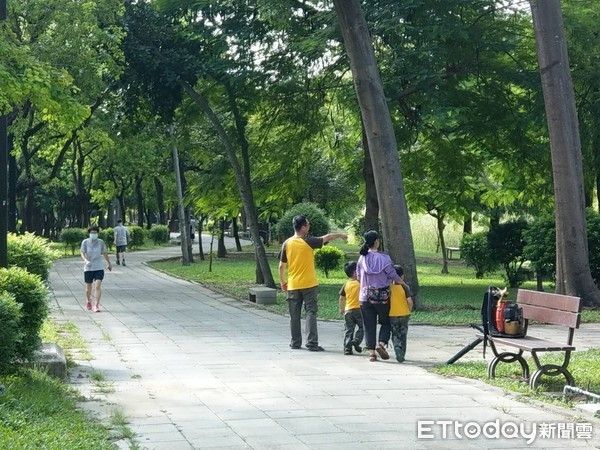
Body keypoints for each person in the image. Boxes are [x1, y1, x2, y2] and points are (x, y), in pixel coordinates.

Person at [278, 215, 348, 351]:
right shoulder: (308, 241)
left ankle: (295, 343)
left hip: (293, 285)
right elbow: (326, 237)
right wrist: (340, 235)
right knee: (311, 312)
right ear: (303, 227)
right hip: (309, 284)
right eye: (308, 225)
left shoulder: (287, 243)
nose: (309, 227)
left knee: (294, 315)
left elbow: (281, 265)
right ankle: (311, 343)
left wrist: (283, 282)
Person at [356, 230, 403, 362]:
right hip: (382, 297)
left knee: (368, 325)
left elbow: (359, 277)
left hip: (365, 297)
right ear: (377, 241)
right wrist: (402, 283)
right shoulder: (384, 258)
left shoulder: (361, 258)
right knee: (386, 321)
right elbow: (392, 274)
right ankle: (381, 344)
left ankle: (371, 353)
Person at [81, 225, 112, 312]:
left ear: (97, 233)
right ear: (89, 233)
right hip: (89, 267)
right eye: (92, 233)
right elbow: (82, 253)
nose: (93, 234)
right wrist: (86, 261)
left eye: (95, 233)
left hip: (99, 267)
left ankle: (96, 305)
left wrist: (109, 263)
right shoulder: (85, 242)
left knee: (98, 284)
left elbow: (104, 253)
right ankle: (88, 301)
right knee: (88, 288)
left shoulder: (101, 242)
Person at [389, 265, 414, 363]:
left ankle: (397, 348)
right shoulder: (405, 287)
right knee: (403, 333)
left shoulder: (389, 287)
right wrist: (409, 310)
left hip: (392, 314)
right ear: (402, 276)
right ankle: (402, 353)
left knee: (395, 333)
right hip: (404, 313)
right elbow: (410, 301)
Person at [339, 261, 364, 355]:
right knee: (362, 327)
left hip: (348, 310)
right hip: (359, 309)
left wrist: (342, 309)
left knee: (348, 329)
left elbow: (341, 298)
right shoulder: (360, 284)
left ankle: (347, 348)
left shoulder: (346, 284)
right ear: (355, 273)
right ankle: (356, 340)